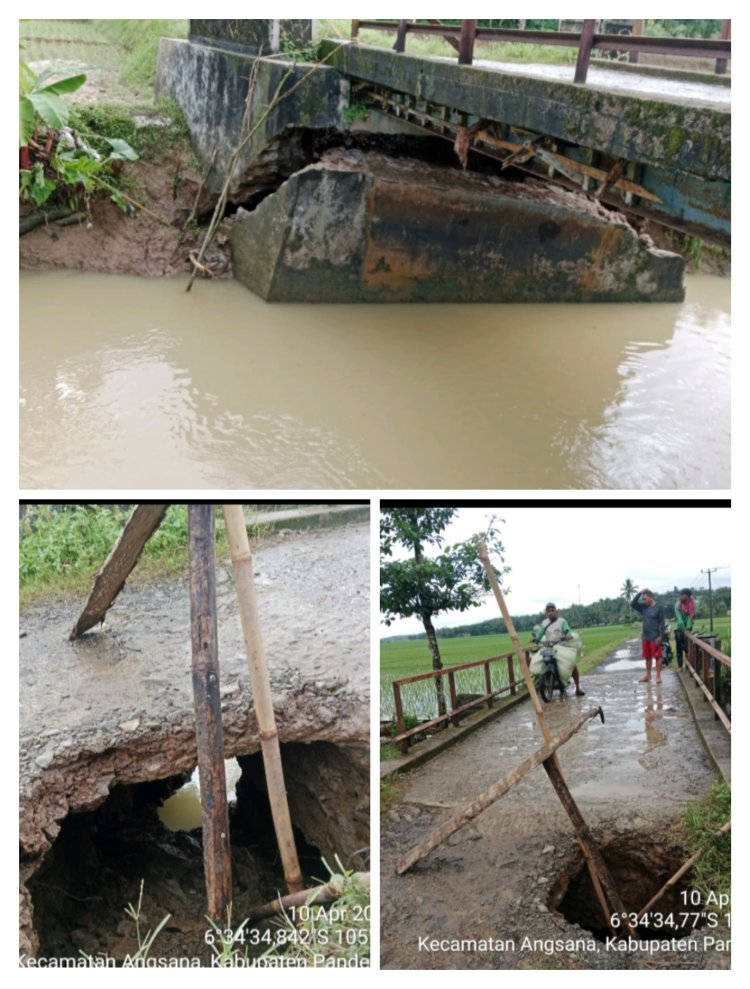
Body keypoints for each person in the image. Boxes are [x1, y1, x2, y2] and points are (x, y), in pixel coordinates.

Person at [532, 602, 585, 696]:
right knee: (541, 662)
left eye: (552, 611)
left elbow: (567, 630)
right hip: (549, 647)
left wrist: (568, 635)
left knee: (572, 665)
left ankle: (577, 687)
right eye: (548, 611)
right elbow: (540, 633)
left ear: (556, 611)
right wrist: (536, 638)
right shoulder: (544, 623)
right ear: (546, 613)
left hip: (562, 646)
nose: (550, 613)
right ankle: (542, 683)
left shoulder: (562, 621)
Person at [631, 589, 666, 684]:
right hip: (645, 637)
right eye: (643, 598)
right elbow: (633, 604)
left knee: (658, 657)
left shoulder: (659, 608)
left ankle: (658, 676)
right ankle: (648, 675)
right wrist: (639, 593)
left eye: (645, 598)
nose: (644, 600)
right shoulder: (644, 608)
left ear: (651, 597)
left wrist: (661, 636)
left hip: (655, 637)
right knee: (647, 657)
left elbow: (662, 623)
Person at [674, 588, 695, 670]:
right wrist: (684, 630)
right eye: (681, 595)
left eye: (682, 595)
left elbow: (691, 617)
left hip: (688, 628)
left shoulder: (693, 604)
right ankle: (680, 666)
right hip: (679, 628)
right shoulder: (677, 605)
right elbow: (679, 620)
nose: (681, 597)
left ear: (688, 596)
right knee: (679, 647)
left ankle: (688, 666)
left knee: (688, 648)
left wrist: (688, 629)